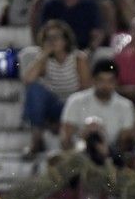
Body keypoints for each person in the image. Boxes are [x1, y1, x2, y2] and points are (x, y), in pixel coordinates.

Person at [19, 19, 89, 158]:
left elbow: (86, 88)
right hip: (52, 104)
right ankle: (36, 139)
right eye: (49, 38)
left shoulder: (78, 58)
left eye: (56, 37)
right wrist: (44, 54)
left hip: (73, 103)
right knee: (34, 89)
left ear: (65, 40)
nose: (53, 41)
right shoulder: (44, 60)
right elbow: (28, 80)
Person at [60, 59, 135, 155]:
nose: (105, 85)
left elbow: (124, 145)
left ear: (116, 82)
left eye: (110, 81)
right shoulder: (76, 101)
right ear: (94, 80)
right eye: (101, 80)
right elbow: (65, 139)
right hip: (79, 154)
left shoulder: (126, 106)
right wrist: (84, 135)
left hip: (110, 156)